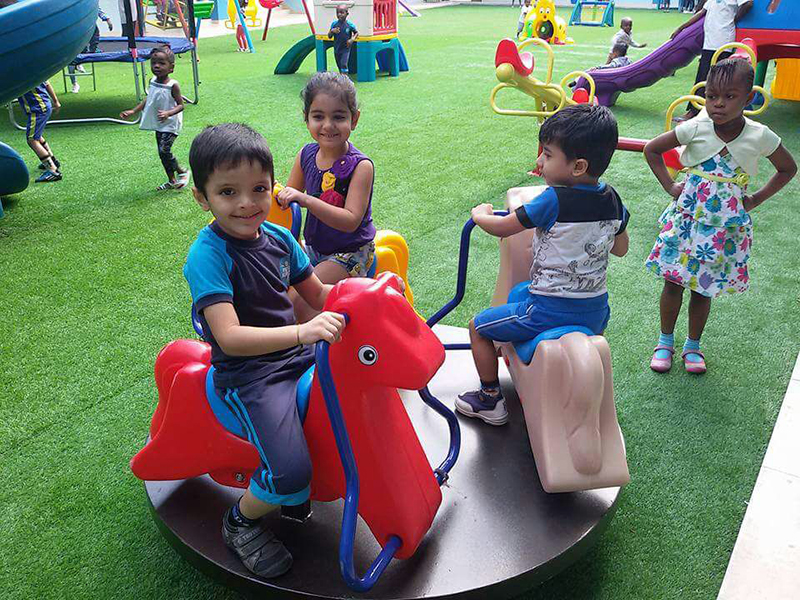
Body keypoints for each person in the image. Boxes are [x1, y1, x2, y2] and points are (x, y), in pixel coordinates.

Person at [184, 123, 347, 578]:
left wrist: (364, 301)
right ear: (203, 198)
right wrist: (302, 333)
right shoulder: (209, 256)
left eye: (258, 189)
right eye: (228, 192)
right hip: (249, 374)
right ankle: (241, 520)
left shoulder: (281, 241)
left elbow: (319, 295)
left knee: (353, 396)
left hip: (291, 356)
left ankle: (309, 488)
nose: (247, 204)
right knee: (290, 472)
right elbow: (230, 337)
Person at [456, 105, 630, 425]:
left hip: (548, 308)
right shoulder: (614, 199)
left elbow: (505, 226)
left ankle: (489, 399)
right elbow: (621, 248)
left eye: (547, 156)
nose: (540, 162)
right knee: (520, 292)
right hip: (596, 313)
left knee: (478, 327)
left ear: (578, 166)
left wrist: (480, 215)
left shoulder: (554, 199)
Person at [644, 59, 796, 374]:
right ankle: (664, 342)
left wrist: (755, 199)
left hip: (723, 228)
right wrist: (671, 185)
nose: (719, 104)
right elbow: (652, 150)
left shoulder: (760, 135)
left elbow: (787, 168)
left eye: (729, 96)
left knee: (703, 287)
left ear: (749, 97)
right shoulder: (695, 127)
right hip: (686, 221)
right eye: (712, 96)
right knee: (673, 282)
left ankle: (692, 347)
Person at [276, 73, 376, 322]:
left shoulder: (361, 166)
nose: (328, 125)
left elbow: (351, 220)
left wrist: (307, 199)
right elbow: (287, 207)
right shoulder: (306, 155)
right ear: (306, 119)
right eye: (318, 116)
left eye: (338, 117)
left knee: (302, 298)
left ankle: (312, 348)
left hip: (350, 251)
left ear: (354, 120)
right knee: (275, 286)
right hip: (312, 248)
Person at [120, 45, 189, 190]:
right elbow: (149, 99)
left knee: (164, 150)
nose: (156, 66)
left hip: (171, 123)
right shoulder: (152, 81)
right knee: (161, 153)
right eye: (153, 63)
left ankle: (182, 171)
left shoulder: (173, 85)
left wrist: (168, 113)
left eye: (162, 63)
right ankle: (171, 180)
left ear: (171, 67)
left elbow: (181, 105)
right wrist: (133, 111)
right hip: (159, 122)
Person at [671, 0, 754, 122]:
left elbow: (748, 3)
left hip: (723, 41)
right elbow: (701, 13)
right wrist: (682, 27)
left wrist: (734, 19)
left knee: (721, 79)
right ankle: (695, 111)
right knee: (702, 77)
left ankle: (712, 112)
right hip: (709, 42)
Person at [17, 81, 62, 183]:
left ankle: (53, 171)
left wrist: (56, 101)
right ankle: (52, 160)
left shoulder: (22, 73)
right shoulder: (33, 71)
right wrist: (56, 101)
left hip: (38, 110)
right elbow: (47, 83)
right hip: (43, 106)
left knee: (32, 140)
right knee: (37, 136)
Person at [68, 9, 113, 93]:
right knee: (71, 61)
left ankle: (85, 57)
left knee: (92, 39)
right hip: (75, 31)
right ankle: (74, 84)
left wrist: (107, 20)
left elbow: (97, 9)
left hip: (88, 29)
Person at [326, 5, 357, 74]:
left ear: (347, 14)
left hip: (346, 49)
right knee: (339, 65)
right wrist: (332, 31)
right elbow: (329, 36)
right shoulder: (334, 24)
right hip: (337, 48)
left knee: (344, 64)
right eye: (337, 13)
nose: (339, 14)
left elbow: (356, 33)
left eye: (342, 12)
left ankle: (345, 79)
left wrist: (352, 39)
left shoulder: (349, 25)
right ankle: (342, 78)